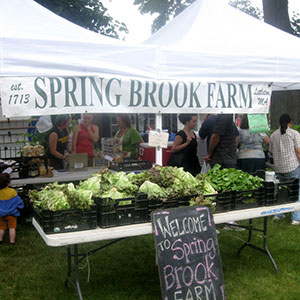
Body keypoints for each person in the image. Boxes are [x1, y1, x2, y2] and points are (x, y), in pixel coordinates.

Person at [269, 113, 300, 225]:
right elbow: (298, 151)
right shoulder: (294, 134)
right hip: (293, 167)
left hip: (279, 168)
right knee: (297, 192)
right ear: (290, 123)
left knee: (282, 191)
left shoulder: (273, 135)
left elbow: (271, 152)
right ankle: (296, 218)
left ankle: (278, 214)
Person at [0, 173, 24, 245]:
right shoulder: (12, 191)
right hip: (11, 214)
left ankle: (0, 240)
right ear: (8, 183)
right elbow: (18, 202)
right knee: (12, 228)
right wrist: (20, 207)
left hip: (0, 214)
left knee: (1, 228)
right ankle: (12, 242)